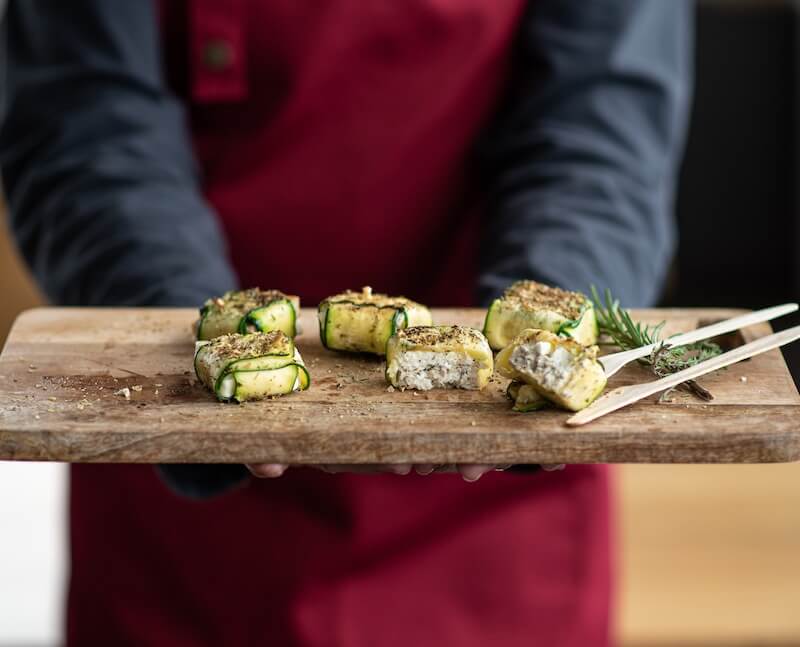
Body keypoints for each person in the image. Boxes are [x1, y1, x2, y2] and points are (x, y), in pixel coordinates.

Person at [0, 1, 691, 645]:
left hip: (496, 542)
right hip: (180, 533)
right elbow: (82, 111)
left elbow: (603, 113)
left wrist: (541, 345)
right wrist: (190, 349)